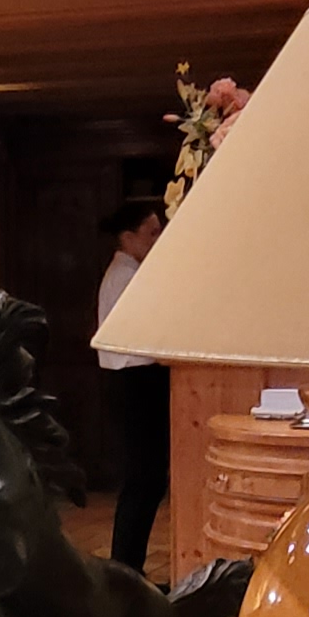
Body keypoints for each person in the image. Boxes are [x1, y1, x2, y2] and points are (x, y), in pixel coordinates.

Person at [96, 198, 172, 576]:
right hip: (135, 382)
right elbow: (142, 336)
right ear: (128, 237)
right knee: (142, 479)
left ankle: (129, 568)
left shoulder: (132, 273)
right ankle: (125, 569)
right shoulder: (124, 277)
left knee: (148, 480)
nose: (158, 240)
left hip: (141, 381)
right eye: (151, 233)